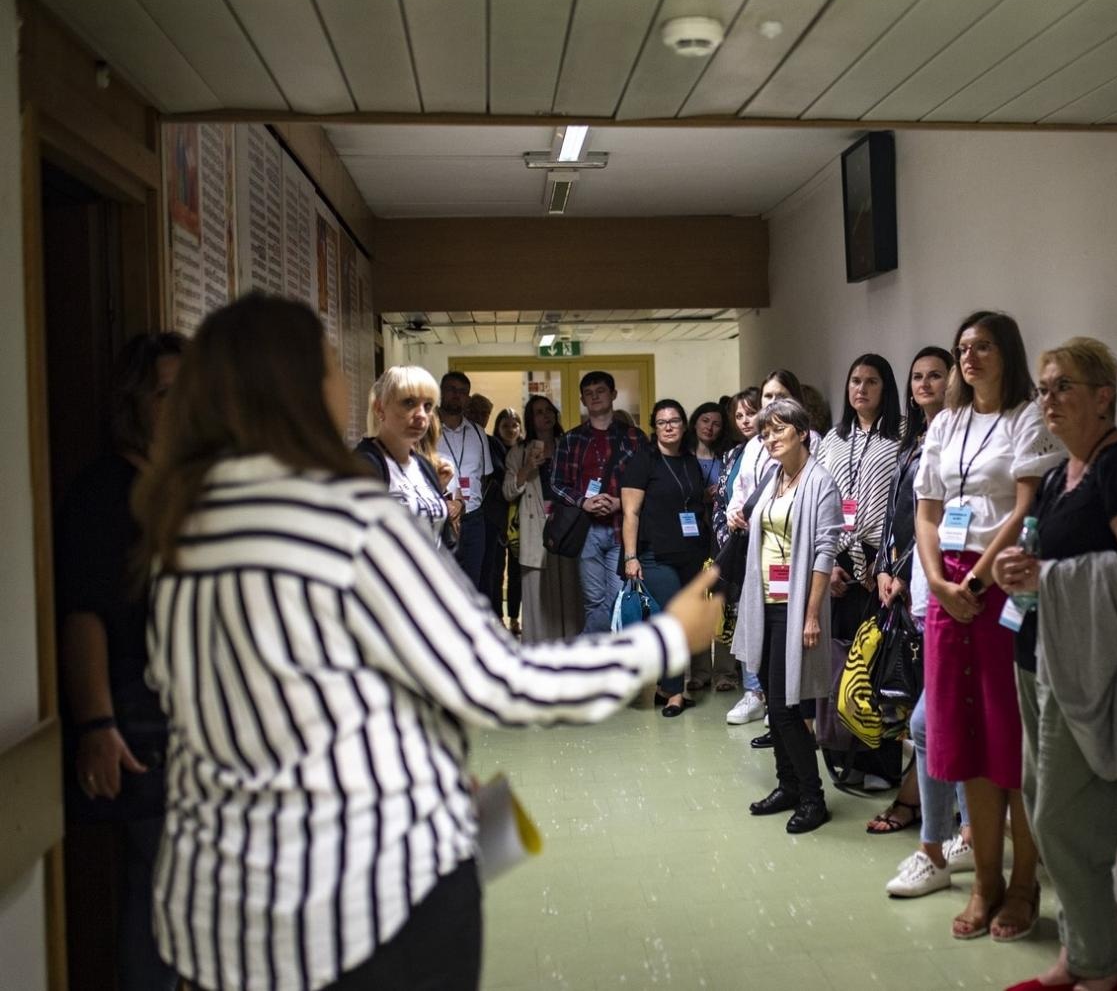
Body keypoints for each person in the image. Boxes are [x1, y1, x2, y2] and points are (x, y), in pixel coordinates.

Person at [131, 294, 724, 991]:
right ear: (306, 390)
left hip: (225, 911)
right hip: (364, 904)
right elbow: (498, 680)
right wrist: (666, 639)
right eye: (332, 366)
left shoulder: (183, 530)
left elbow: (280, 695)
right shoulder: (345, 518)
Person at [996, 338, 1117, 991]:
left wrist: (1047, 576)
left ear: (1103, 396)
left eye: (1063, 386)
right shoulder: (1061, 473)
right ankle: (1077, 956)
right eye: (1043, 388)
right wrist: (1018, 570)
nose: (1049, 399)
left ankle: (1102, 971)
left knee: (1066, 823)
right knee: (1042, 807)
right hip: (1041, 654)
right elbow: (1046, 558)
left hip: (1092, 666)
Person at [914, 311, 1063, 942]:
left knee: (1011, 736)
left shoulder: (1028, 417)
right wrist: (939, 582)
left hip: (1000, 582)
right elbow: (926, 512)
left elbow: (1027, 506)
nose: (969, 358)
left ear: (1008, 353)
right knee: (966, 736)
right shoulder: (946, 422)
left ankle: (1024, 882)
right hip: (946, 587)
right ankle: (985, 881)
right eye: (962, 348)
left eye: (982, 347)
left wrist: (974, 582)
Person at [56, 330, 184, 991]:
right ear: (135, 402)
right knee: (162, 892)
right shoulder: (107, 492)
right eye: (167, 394)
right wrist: (98, 724)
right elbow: (85, 615)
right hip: (139, 722)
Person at [877, 346, 976, 893]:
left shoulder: (965, 440)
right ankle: (950, 837)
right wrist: (889, 569)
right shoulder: (916, 441)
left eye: (936, 375)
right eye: (917, 376)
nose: (925, 384)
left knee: (933, 723)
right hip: (922, 589)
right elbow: (907, 518)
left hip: (956, 589)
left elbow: (951, 520)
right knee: (929, 722)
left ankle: (956, 834)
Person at [731, 398, 843, 834]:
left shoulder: (820, 482)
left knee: (785, 706)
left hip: (796, 607)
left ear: (801, 432)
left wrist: (812, 615)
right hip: (765, 602)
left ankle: (813, 797)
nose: (770, 439)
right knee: (773, 702)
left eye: (778, 430)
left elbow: (825, 552)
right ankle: (788, 785)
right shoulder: (774, 477)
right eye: (765, 433)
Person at [815, 354, 903, 788]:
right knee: (838, 662)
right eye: (855, 381)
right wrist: (828, 564)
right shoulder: (833, 439)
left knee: (875, 665)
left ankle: (879, 764)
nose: (861, 389)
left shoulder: (901, 437)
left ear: (886, 388)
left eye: (871, 381)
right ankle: (840, 754)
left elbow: (902, 506)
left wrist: (884, 563)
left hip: (879, 564)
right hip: (837, 563)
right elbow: (821, 503)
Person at [621, 399, 715, 716]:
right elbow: (631, 513)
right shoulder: (643, 461)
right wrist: (631, 557)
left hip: (690, 554)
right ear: (654, 428)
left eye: (674, 421)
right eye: (662, 422)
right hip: (655, 555)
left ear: (684, 425)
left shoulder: (689, 462)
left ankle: (665, 687)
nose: (669, 427)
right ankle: (675, 693)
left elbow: (692, 503)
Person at [550, 371, 648, 633]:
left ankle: (585, 649)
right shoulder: (571, 439)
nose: (595, 397)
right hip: (586, 530)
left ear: (613, 394)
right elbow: (556, 484)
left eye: (601, 391)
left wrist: (621, 502)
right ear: (582, 399)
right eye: (589, 393)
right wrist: (583, 502)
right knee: (593, 602)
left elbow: (648, 481)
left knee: (618, 599)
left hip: (622, 529)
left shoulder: (635, 437)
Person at [354, 366, 459, 551]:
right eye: (409, 403)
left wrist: (438, 488)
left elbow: (442, 537)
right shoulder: (366, 464)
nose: (421, 415)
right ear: (380, 408)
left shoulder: (423, 466)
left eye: (428, 406)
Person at [505, 395, 583, 642]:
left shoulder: (568, 445)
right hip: (534, 528)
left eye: (548, 410)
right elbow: (508, 492)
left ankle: (570, 650)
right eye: (538, 412)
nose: (545, 415)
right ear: (530, 419)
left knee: (569, 595)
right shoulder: (519, 452)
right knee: (537, 598)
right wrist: (527, 468)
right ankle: (538, 653)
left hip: (566, 526)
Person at [718, 387, 770, 722]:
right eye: (739, 415)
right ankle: (753, 692)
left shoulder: (803, 442)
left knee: (774, 621)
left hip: (775, 542)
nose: (745, 420)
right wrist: (733, 514)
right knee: (746, 617)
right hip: (744, 542)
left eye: (751, 412)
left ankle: (774, 696)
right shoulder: (745, 450)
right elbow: (735, 492)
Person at [687, 400, 738, 691]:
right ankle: (699, 671)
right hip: (692, 538)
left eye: (716, 423)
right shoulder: (683, 456)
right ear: (695, 422)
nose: (710, 427)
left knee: (722, 601)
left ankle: (725, 673)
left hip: (722, 539)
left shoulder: (729, 457)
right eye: (705, 421)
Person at [438, 370, 499, 580]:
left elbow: (484, 476)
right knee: (441, 583)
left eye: (463, 392)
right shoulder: (426, 430)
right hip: (440, 517)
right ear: (441, 392)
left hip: (473, 519)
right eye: (451, 390)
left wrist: (466, 502)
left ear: (467, 398)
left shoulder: (477, 433)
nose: (457, 395)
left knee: (472, 583)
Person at [481, 407, 521, 629]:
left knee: (517, 571)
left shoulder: (526, 449)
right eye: (505, 425)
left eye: (514, 425)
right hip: (496, 519)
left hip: (520, 520)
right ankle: (497, 618)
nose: (511, 429)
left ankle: (515, 617)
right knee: (496, 572)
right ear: (497, 427)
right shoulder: (490, 447)